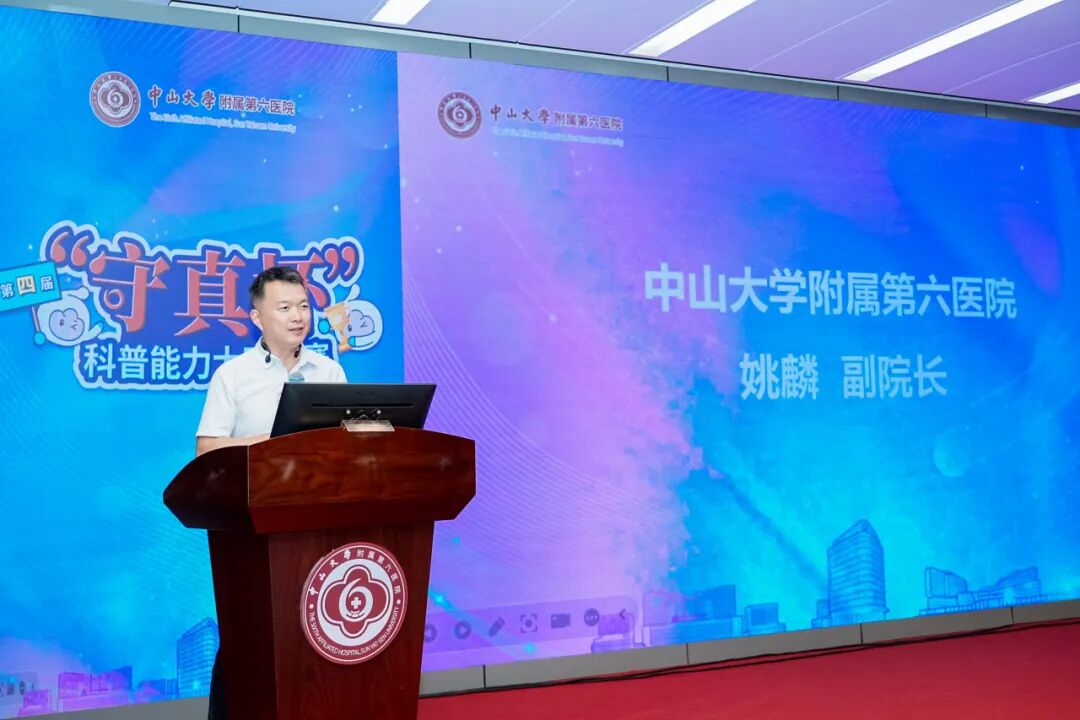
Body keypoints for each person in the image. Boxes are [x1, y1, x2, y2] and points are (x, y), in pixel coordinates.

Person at [195, 266, 347, 718]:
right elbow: (206, 448)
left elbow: (345, 443)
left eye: (303, 306)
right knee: (251, 631)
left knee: (316, 629)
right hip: (254, 528)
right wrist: (262, 443)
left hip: (318, 521)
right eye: (284, 308)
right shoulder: (233, 375)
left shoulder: (329, 371)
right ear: (257, 317)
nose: (298, 316)